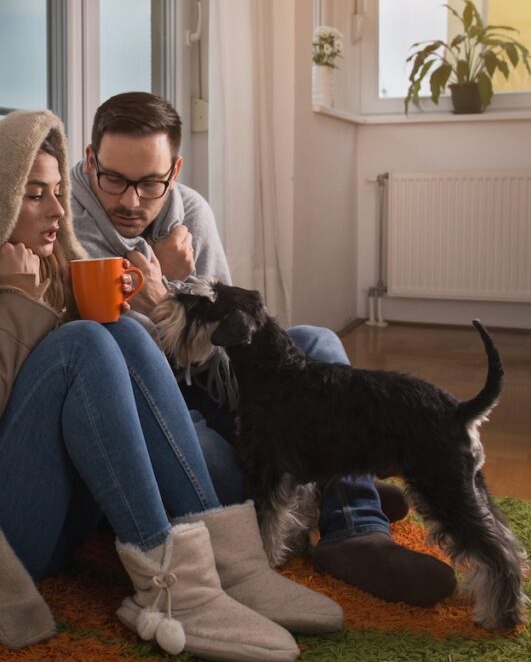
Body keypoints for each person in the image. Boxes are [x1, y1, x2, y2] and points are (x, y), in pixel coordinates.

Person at [0, 110, 343, 662]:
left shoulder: (43, 260)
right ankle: (171, 590)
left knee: (118, 331)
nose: (59, 210)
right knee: (85, 343)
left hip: (37, 515)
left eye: (58, 191)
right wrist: (16, 302)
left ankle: (231, 567)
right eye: (34, 194)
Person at [69, 92, 458, 607]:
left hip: (209, 383)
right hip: (154, 413)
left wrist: (173, 296)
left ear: (175, 170)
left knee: (317, 342)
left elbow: (231, 355)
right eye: (114, 179)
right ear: (92, 158)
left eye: (150, 184)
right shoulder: (68, 226)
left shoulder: (193, 215)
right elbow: (103, 363)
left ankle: (353, 527)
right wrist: (157, 282)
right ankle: (326, 486)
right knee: (223, 471)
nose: (130, 201)